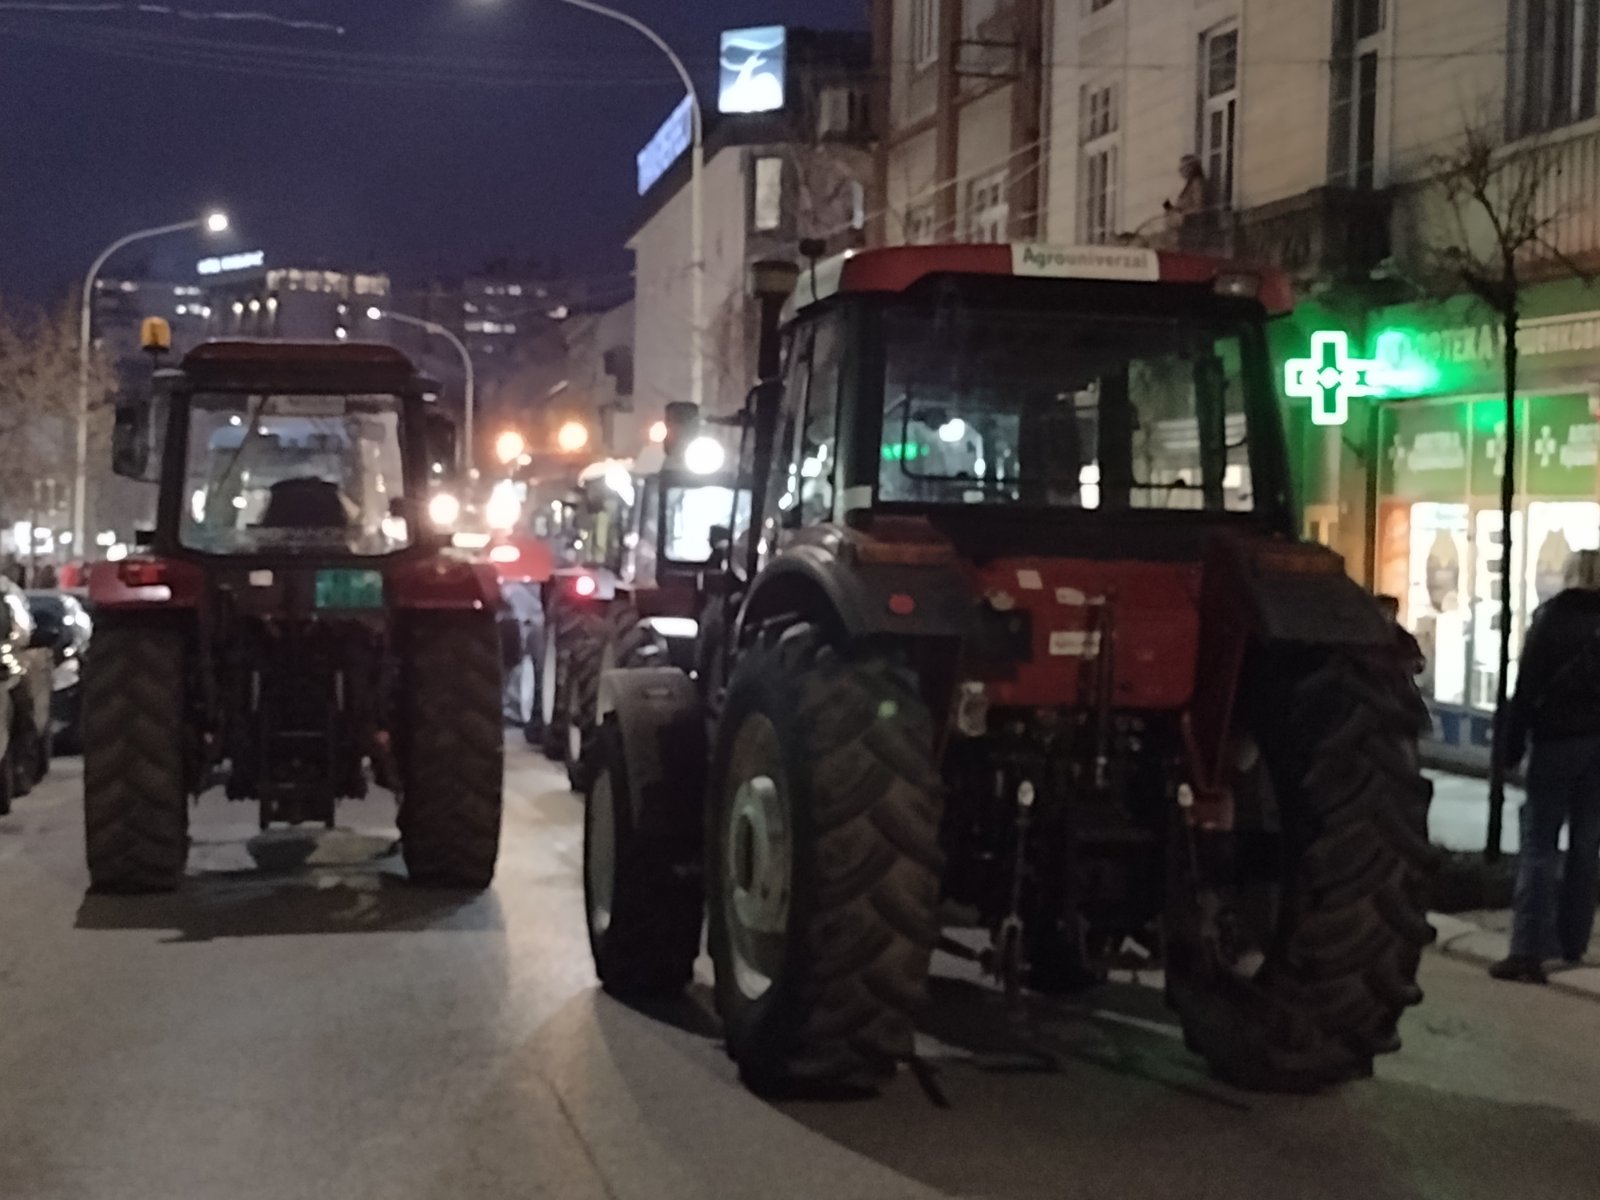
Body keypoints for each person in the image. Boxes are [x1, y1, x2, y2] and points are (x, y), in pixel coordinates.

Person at [1490, 549, 1600, 983]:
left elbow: (1527, 684)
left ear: (1570, 575)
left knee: (1539, 843)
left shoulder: (1552, 619)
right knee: (1587, 844)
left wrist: (1510, 748)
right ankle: (1572, 943)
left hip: (1556, 742)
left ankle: (1527, 951)